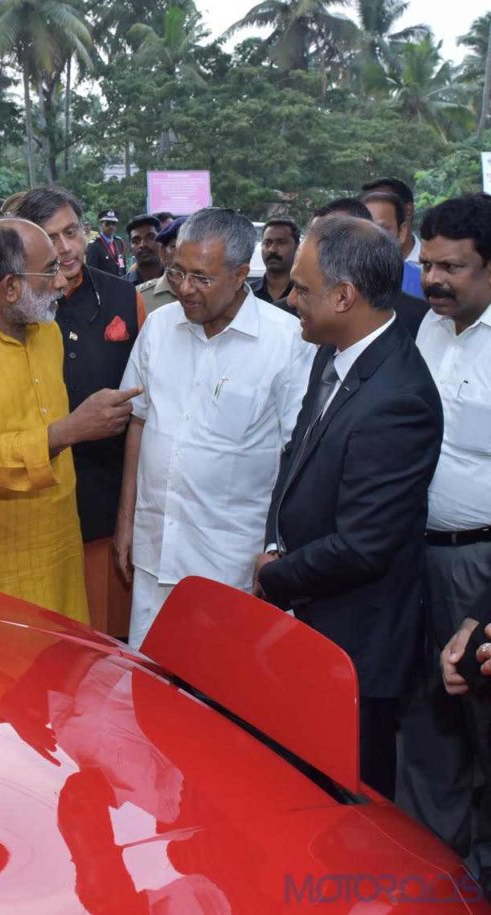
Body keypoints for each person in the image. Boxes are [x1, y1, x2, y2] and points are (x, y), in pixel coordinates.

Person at [256, 215, 443, 798]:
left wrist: (274, 577)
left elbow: (364, 544)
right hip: (312, 621)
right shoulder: (332, 351)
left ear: (344, 296)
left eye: (303, 290)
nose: (290, 299)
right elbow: (295, 458)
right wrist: (272, 541)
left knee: (345, 806)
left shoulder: (400, 398)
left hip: (356, 646)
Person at [0, 218, 140, 623]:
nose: (60, 282)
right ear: (11, 287)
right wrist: (69, 431)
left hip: (60, 546)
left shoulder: (47, 333)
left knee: (65, 668)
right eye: (49, 271)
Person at [115, 208, 313, 648]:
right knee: (148, 689)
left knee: (216, 697)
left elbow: (297, 458)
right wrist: (125, 522)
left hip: (230, 563)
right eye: (177, 272)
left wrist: (277, 549)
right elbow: (138, 422)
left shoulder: (288, 341)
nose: (184, 288)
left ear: (241, 273)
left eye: (201, 278)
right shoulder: (159, 327)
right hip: (154, 551)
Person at [398, 193, 491, 883]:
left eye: (452, 267)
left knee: (482, 720)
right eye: (427, 263)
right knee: (427, 717)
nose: (433, 280)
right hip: (414, 557)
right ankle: (438, 869)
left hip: (482, 564)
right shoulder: (426, 328)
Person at [14, 186, 147, 637]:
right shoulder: (14, 306)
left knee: (107, 652)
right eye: (51, 238)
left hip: (105, 513)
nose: (66, 248)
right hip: (30, 510)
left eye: (72, 232)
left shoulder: (124, 299)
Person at [271, 198, 429, 338]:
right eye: (314, 237)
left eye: (334, 238)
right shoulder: (277, 316)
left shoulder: (420, 318)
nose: (320, 248)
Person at [359, 190, 424, 297]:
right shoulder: (336, 281)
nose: (372, 237)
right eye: (363, 229)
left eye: (382, 229)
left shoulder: (423, 283)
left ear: (402, 232)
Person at [361, 176, 420, 262]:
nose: (371, 238)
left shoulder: (433, 262)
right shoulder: (350, 270)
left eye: (381, 229)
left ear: (408, 210)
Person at [250, 219, 299, 303]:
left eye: (281, 242)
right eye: (267, 243)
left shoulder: (305, 295)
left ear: (297, 247)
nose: (272, 250)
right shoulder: (248, 294)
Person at [124, 215, 163, 285]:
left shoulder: (177, 282)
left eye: (150, 238)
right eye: (136, 241)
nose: (142, 245)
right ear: (130, 249)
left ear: (161, 242)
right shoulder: (121, 287)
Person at [86, 210, 126, 277]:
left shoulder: (119, 242)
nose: (111, 226)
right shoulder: (94, 245)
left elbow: (122, 266)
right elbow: (92, 273)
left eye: (113, 223)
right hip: (104, 286)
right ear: (101, 225)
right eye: (107, 223)